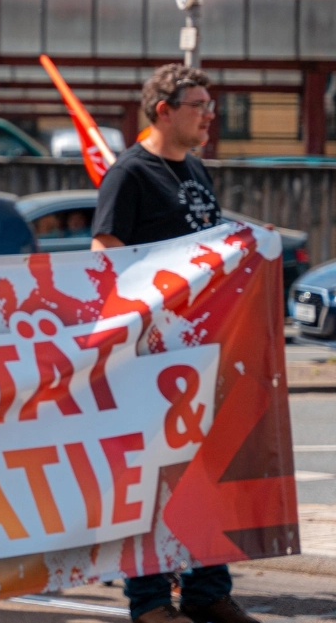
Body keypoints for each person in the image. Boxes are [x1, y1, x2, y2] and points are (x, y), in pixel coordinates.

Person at [92, 66, 249, 623]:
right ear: (163, 108)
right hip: (154, 356)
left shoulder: (196, 168)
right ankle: (152, 601)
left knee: (207, 473)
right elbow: (105, 254)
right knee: (151, 479)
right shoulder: (130, 174)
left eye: (211, 103)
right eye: (199, 104)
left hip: (201, 350)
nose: (210, 114)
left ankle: (209, 592)